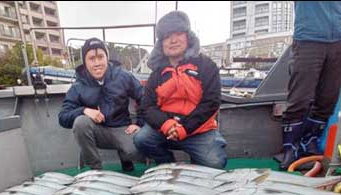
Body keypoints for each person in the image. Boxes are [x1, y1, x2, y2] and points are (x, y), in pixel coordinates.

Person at [133, 11, 228, 169]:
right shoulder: (156, 74)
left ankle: (195, 166)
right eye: (167, 36)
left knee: (216, 162)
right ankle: (168, 164)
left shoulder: (206, 66)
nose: (173, 40)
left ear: (188, 37)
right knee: (141, 139)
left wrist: (185, 127)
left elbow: (211, 103)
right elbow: (147, 106)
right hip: (166, 128)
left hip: (199, 129)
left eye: (178, 33)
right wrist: (167, 124)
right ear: (161, 43)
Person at [58, 38, 143, 171]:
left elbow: (144, 98)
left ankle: (126, 160)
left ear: (107, 58)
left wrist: (139, 123)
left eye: (100, 57)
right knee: (81, 123)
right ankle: (96, 169)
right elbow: (63, 117)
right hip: (98, 132)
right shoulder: (77, 86)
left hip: (123, 129)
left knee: (139, 148)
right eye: (91, 58)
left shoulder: (124, 76)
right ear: (85, 62)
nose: (97, 63)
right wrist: (84, 110)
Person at [279, 1, 341, 170]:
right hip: (308, 39)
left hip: (339, 40)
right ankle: (290, 147)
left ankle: (310, 141)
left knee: (328, 98)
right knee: (300, 98)